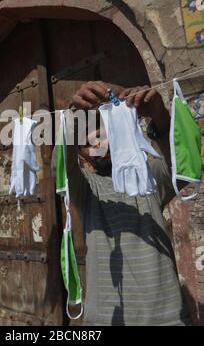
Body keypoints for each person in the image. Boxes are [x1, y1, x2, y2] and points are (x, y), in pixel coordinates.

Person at [61, 81, 190, 326]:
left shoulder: (147, 178)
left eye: (103, 137)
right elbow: (63, 168)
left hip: (167, 317)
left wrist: (160, 116)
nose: (99, 147)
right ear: (81, 154)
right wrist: (73, 116)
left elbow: (182, 170)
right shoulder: (86, 190)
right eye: (89, 144)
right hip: (107, 319)